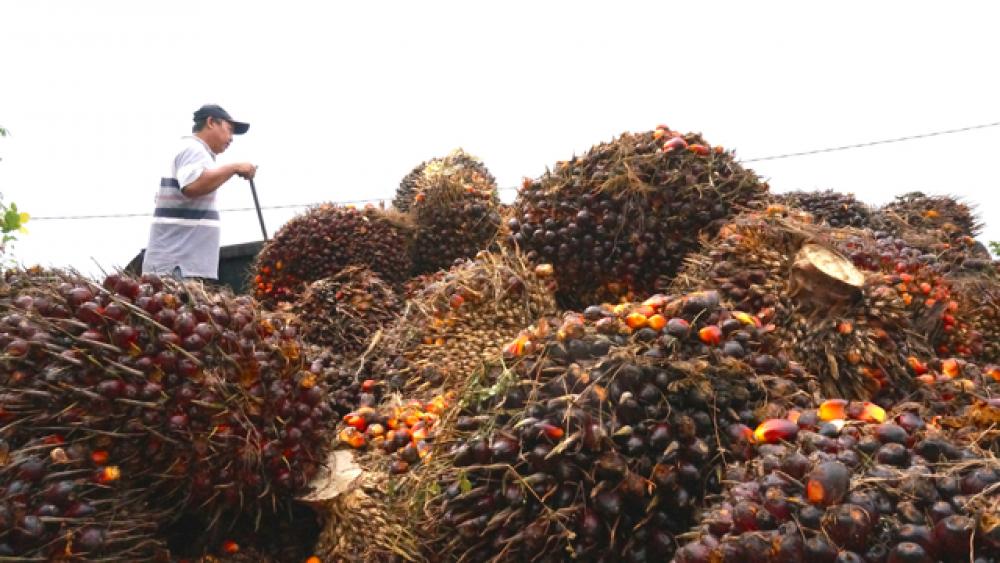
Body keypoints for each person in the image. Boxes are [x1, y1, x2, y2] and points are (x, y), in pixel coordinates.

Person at [141, 104, 257, 280]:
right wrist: (234, 167)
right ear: (211, 122)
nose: (231, 138)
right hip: (178, 267)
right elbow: (193, 185)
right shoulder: (194, 149)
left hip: (179, 265)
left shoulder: (193, 150)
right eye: (229, 129)